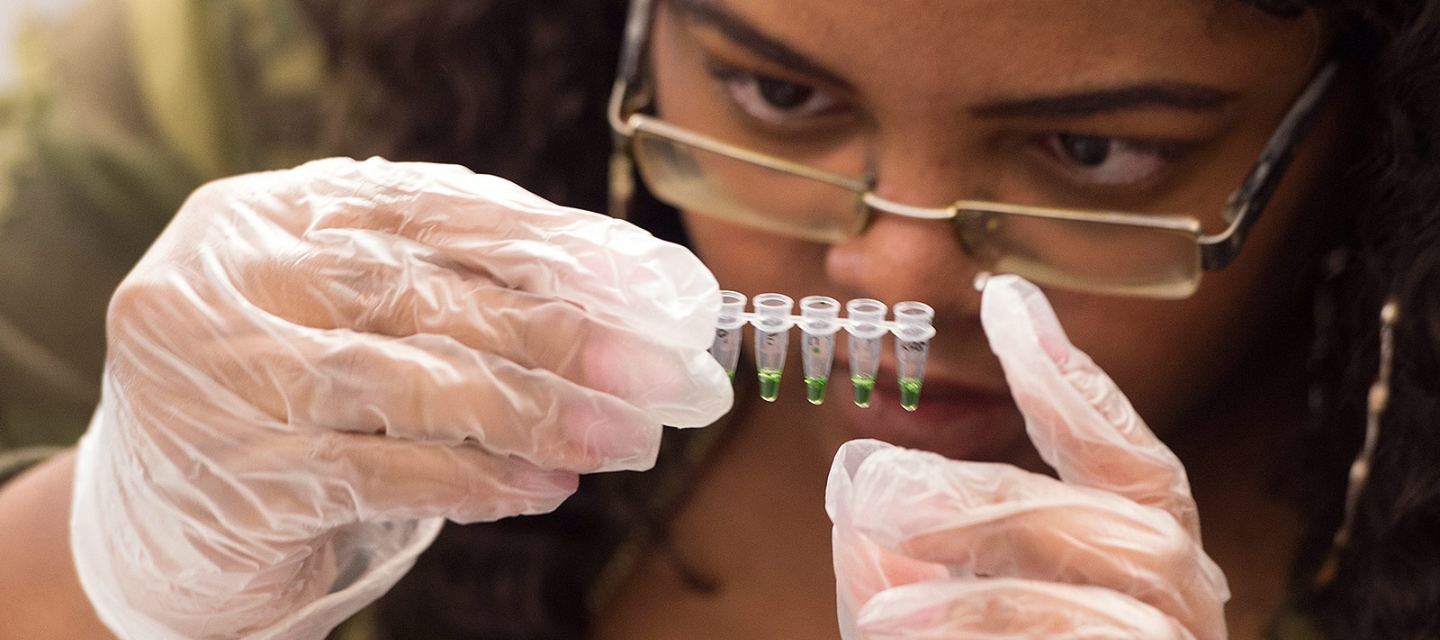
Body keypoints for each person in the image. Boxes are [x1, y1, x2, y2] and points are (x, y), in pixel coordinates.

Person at [0, 0, 1436, 639]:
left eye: (1094, 154)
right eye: (778, 96)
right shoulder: (267, 85)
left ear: (1366, 124)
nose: (893, 277)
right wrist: (107, 567)